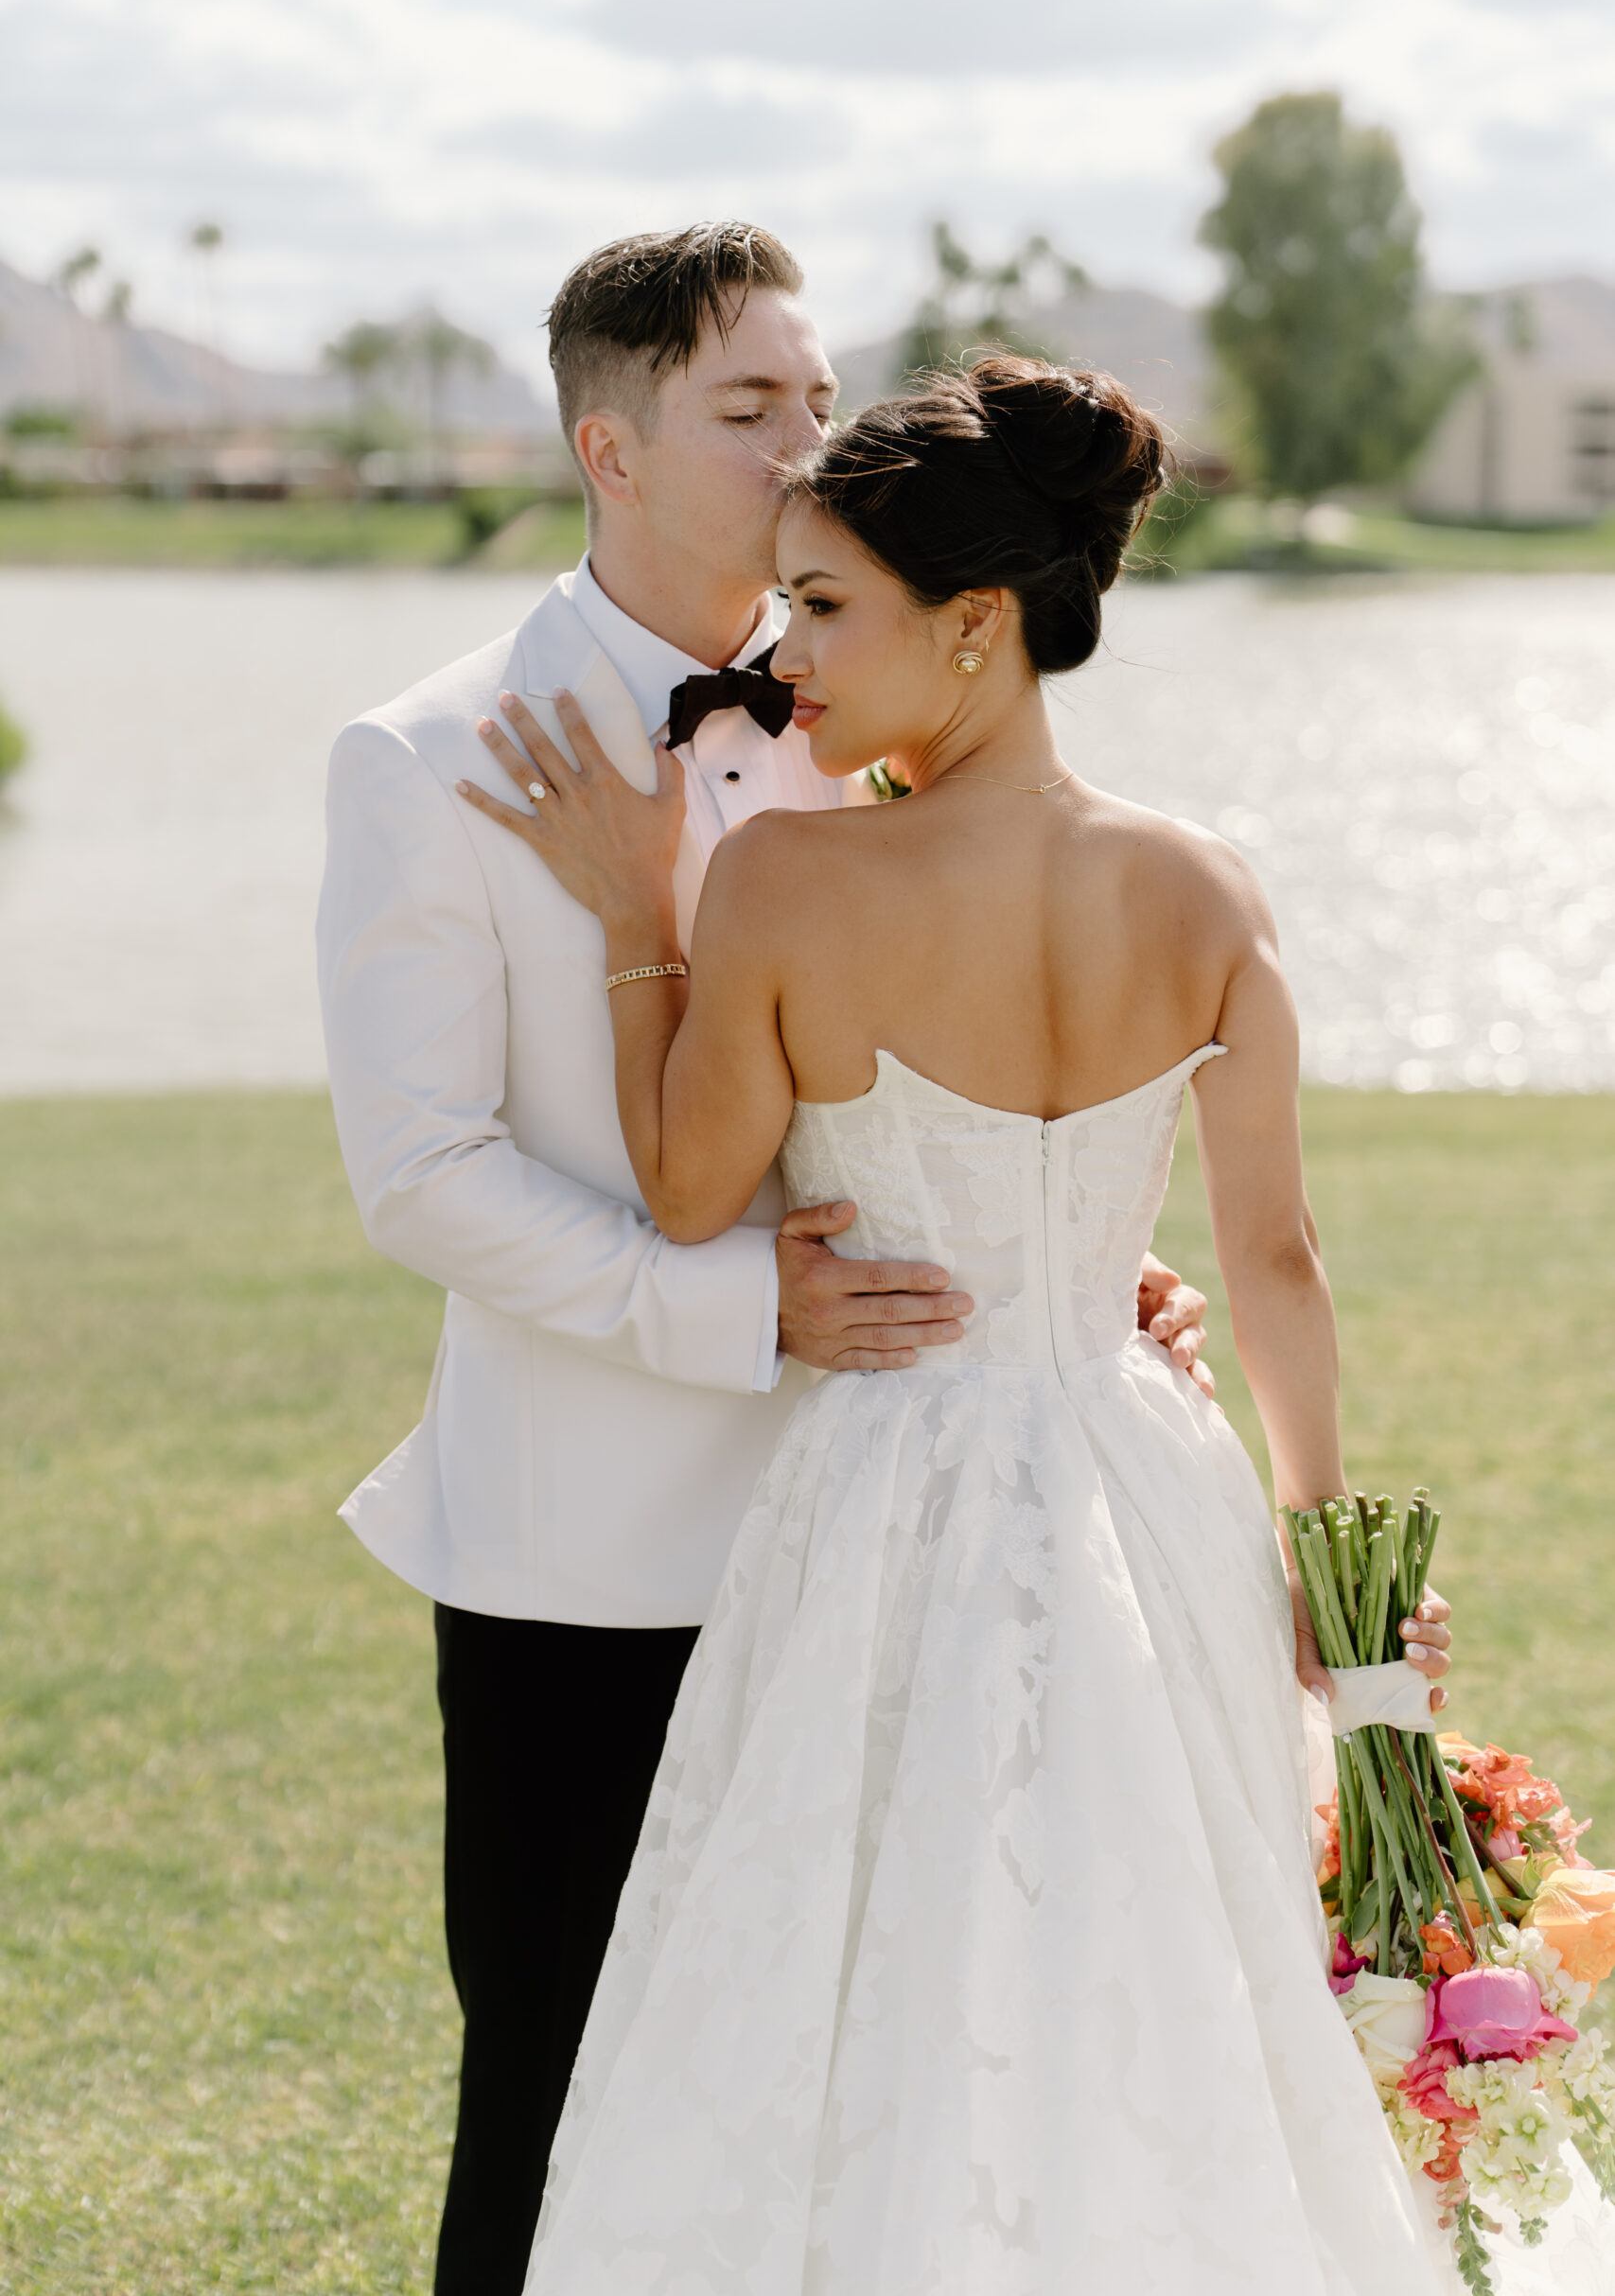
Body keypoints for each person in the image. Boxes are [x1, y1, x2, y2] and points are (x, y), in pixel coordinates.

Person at [459, 354, 1470, 2292]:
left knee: (875, 1965)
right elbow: (1273, 1259)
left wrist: (626, 920)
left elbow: (687, 1194)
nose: (789, 656)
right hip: (1141, 1480)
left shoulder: (778, 877)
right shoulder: (1203, 886)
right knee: (1154, 1961)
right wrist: (1317, 1568)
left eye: (824, 607)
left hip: (890, 1480)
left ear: (978, 621)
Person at [315, 226, 1212, 2295]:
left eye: (815, 397)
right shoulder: (426, 757)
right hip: (595, 1563)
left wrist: (1077, 1265)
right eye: (748, 411)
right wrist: (743, 1308)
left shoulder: (876, 700)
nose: (805, 440)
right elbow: (423, 1173)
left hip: (898, 1545)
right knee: (557, 2110)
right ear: (604, 447)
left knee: (850, 2115)